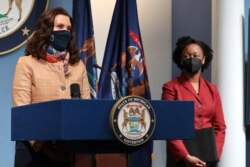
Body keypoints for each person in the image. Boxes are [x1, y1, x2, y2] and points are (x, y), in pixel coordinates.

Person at [12, 7, 92, 167]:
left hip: (70, 151)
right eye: (60, 27)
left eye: (68, 28)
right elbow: (22, 111)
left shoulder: (78, 66)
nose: (65, 32)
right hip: (34, 151)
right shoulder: (27, 63)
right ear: (47, 30)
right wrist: (47, 150)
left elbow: (86, 108)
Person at [161, 36, 226, 167]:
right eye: (187, 56)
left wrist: (215, 154)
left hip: (208, 156)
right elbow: (169, 127)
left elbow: (220, 127)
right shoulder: (171, 87)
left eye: (196, 55)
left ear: (203, 59)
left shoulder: (212, 89)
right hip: (182, 157)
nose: (191, 59)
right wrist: (185, 156)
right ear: (180, 59)